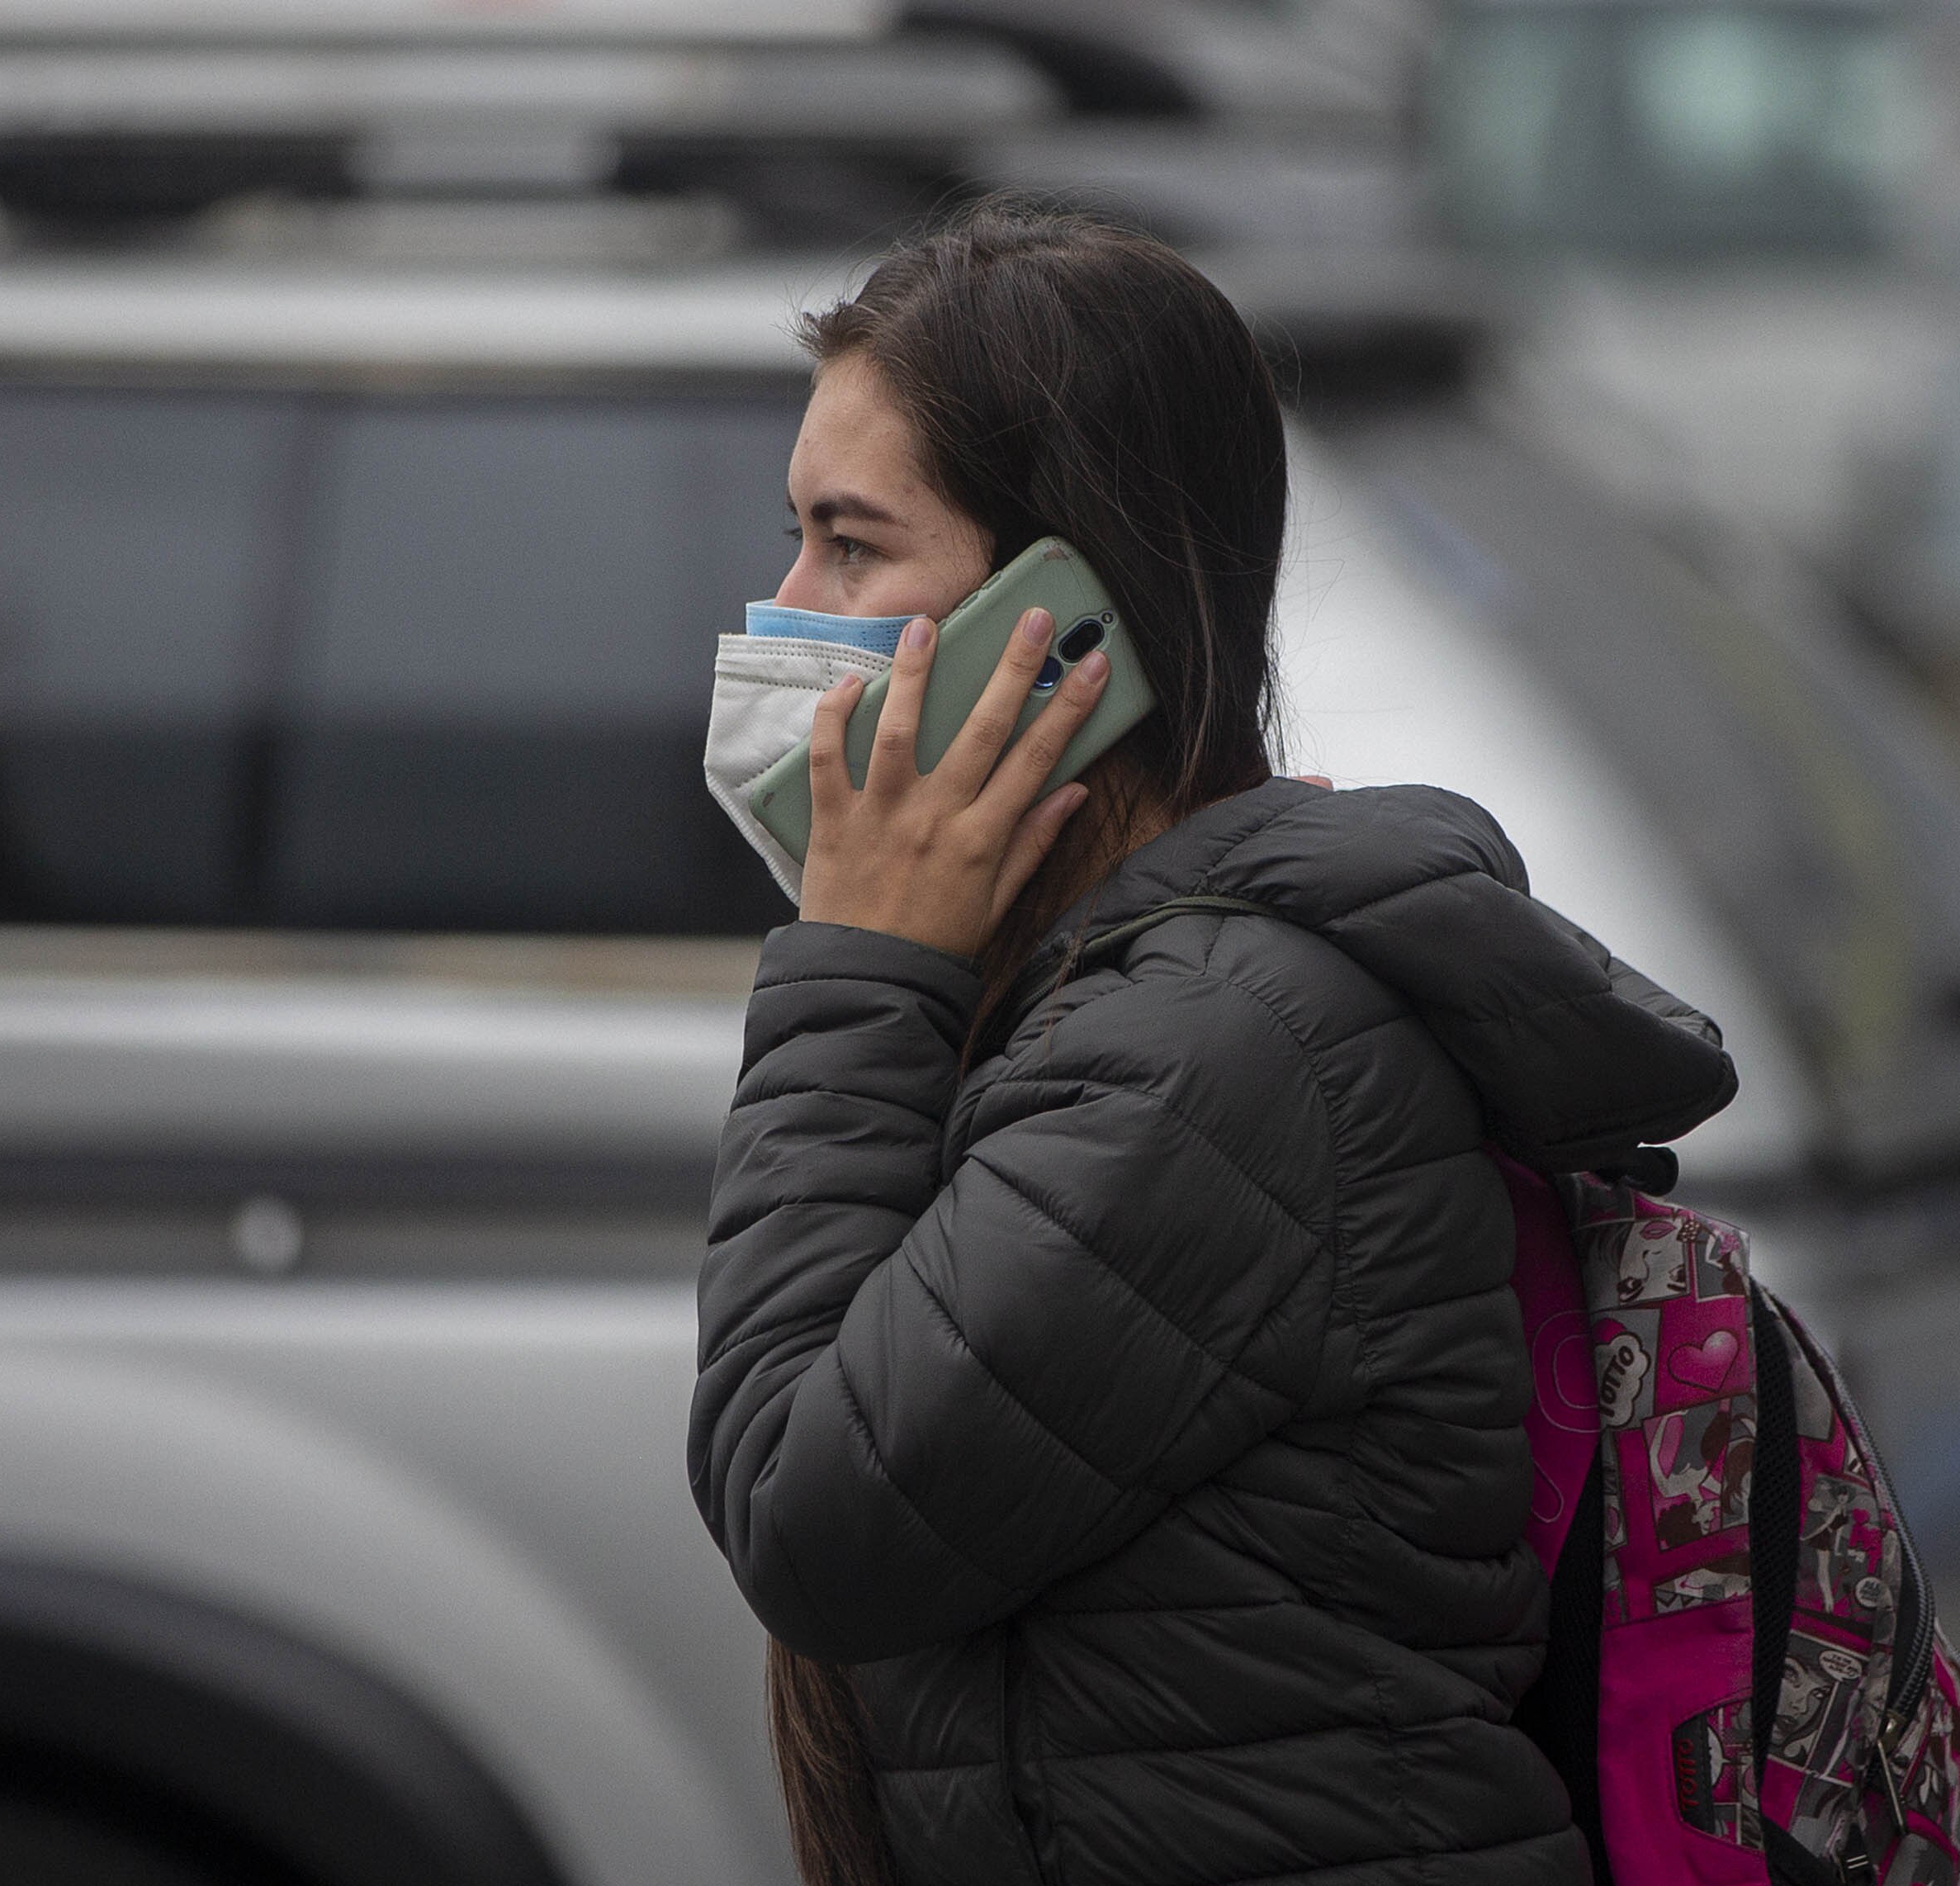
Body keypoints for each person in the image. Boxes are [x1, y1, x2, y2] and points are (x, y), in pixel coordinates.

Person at [687, 199, 1740, 1886]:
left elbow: (817, 1510)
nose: (787, 605)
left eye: (852, 541)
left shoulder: (1225, 1047)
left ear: (1074, 641)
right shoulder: (1112, 998)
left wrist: (857, 961)